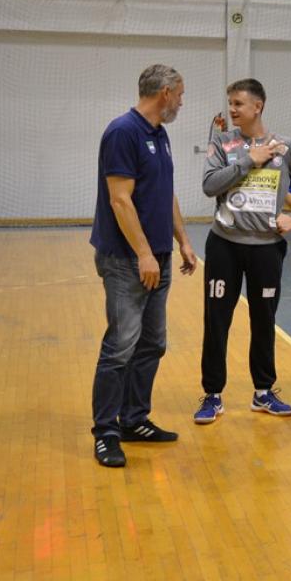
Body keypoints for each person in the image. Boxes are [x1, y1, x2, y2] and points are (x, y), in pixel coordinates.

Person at [195, 78, 291, 423]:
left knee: (264, 320)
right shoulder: (222, 143)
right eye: (231, 103)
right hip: (224, 245)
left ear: (258, 106)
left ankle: (263, 392)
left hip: (266, 249)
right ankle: (212, 394)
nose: (232, 110)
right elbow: (209, 185)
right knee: (216, 320)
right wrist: (248, 161)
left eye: (238, 103)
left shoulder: (283, 147)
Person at [89, 65, 197, 467]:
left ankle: (134, 420)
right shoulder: (123, 132)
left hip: (158, 256)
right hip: (126, 260)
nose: (181, 102)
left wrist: (183, 241)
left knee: (152, 343)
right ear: (165, 93)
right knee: (120, 346)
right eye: (180, 95)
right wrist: (144, 254)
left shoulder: (159, 134)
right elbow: (120, 200)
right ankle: (106, 432)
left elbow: (165, 194)